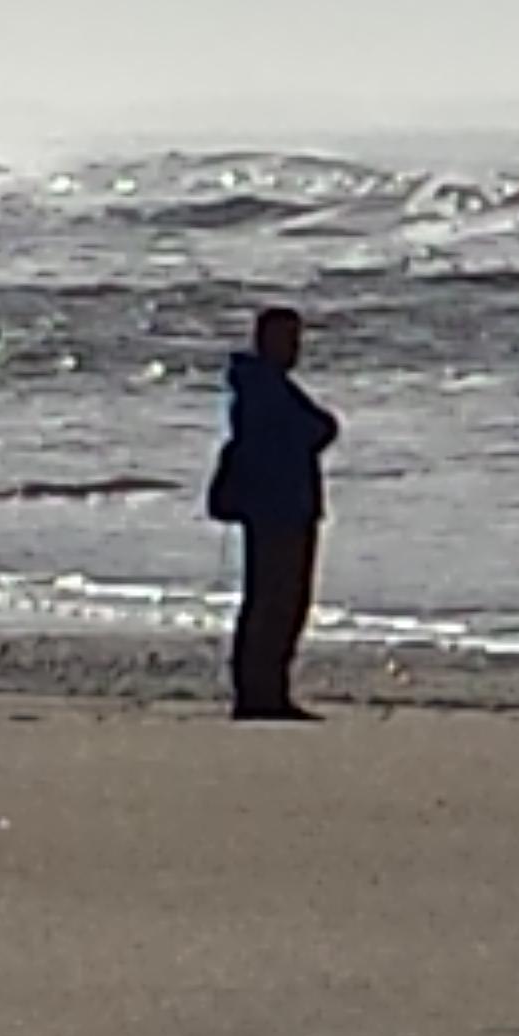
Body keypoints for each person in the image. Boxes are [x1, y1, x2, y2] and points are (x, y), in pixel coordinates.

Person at [208, 306, 340, 723]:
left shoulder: (265, 387)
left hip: (282, 506)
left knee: (276, 601)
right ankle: (260, 693)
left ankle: (266, 690)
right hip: (277, 508)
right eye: (287, 340)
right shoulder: (263, 389)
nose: (294, 349)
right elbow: (311, 431)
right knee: (275, 603)